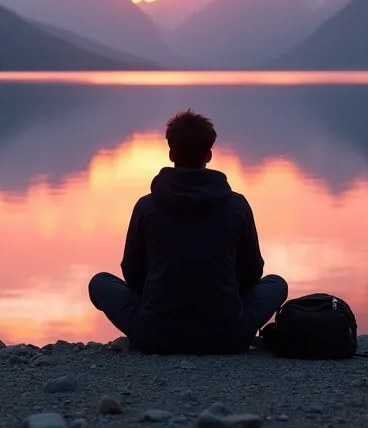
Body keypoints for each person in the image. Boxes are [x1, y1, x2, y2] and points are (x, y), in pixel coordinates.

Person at [88, 110, 288, 354]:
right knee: (277, 284)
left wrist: (164, 294)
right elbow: (251, 273)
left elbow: (132, 274)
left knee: (100, 283)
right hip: (228, 335)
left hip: (154, 335)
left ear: (171, 153)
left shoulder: (146, 206)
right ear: (209, 155)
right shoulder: (237, 205)